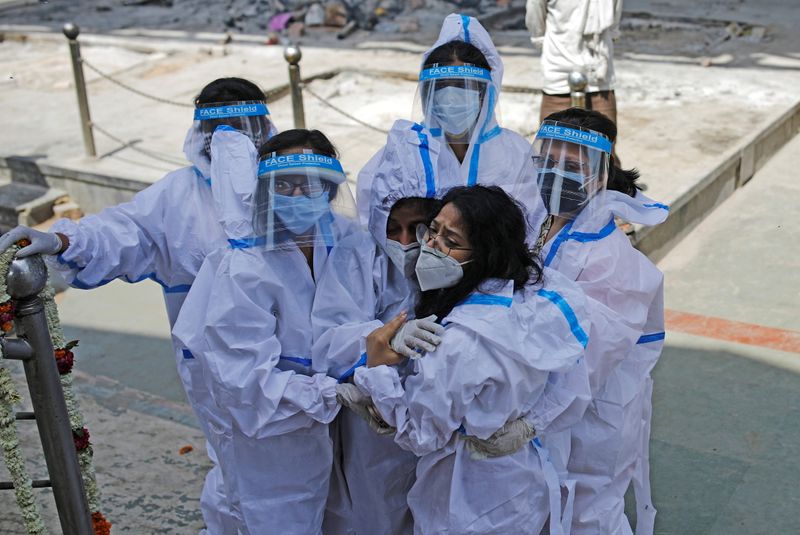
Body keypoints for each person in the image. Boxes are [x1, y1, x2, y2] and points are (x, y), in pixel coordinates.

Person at [0, 77, 274, 534]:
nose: (228, 139)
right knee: (236, 468)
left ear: (263, 130)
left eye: (241, 127)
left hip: (290, 361)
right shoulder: (176, 197)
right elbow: (123, 233)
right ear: (199, 134)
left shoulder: (286, 188)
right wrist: (66, 238)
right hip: (214, 371)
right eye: (217, 127)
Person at [351, 185, 590, 534]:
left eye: (451, 240)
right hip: (520, 481)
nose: (432, 246)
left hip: (464, 498)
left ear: (485, 253)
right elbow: (573, 378)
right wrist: (530, 424)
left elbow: (421, 435)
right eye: (433, 230)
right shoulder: (540, 299)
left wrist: (377, 374)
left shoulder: (457, 343)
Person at [172, 127, 357, 534]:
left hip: (346, 427)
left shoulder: (349, 241)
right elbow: (245, 384)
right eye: (285, 184)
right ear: (266, 189)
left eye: (309, 184)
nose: (296, 196)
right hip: (274, 441)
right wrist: (332, 393)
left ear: (330, 190)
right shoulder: (244, 263)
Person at [311, 124, 456, 534]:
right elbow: (328, 338)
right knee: (379, 512)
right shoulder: (359, 254)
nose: (407, 241)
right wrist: (383, 336)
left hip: (439, 416)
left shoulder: (459, 256)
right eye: (394, 228)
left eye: (420, 226)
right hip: (374, 426)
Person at [533, 108, 667, 534]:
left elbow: (583, 369)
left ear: (602, 174)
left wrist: (523, 420)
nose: (556, 174)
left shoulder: (615, 265)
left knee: (587, 517)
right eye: (547, 161)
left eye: (573, 167)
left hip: (591, 419)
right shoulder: (534, 222)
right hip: (538, 408)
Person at [356, 13, 544, 228]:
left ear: (485, 92)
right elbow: (375, 222)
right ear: (428, 92)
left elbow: (532, 224)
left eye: (463, 85)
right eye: (442, 85)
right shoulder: (405, 151)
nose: (451, 97)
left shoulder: (516, 153)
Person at [526, 0, 622, 124]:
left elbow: (614, 24)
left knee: (604, 139)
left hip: (599, 75)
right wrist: (547, 45)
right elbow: (535, 17)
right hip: (559, 72)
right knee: (554, 140)